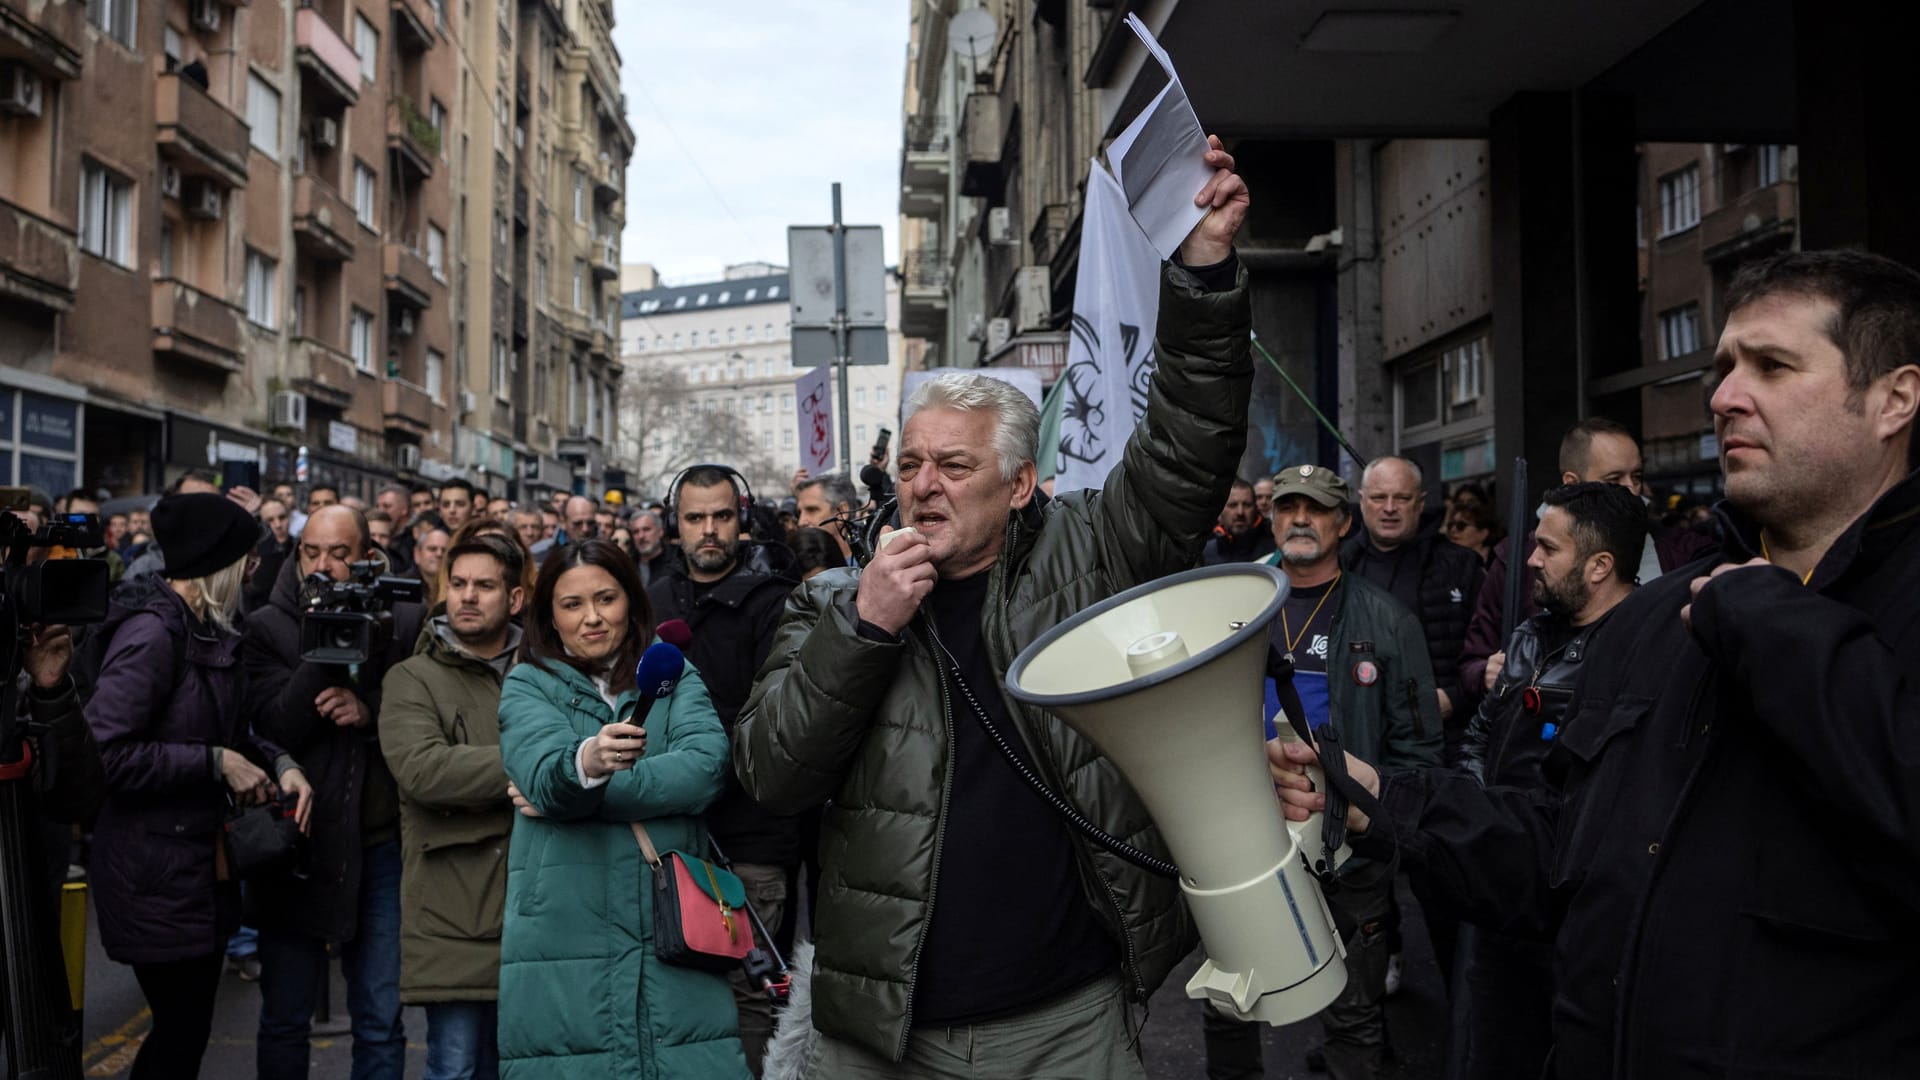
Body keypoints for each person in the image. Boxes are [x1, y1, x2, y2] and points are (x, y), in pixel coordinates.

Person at [1273, 249, 1920, 1079]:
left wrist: (1771, 622)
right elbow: (1561, 853)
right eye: (1723, 368)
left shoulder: (1780, 609)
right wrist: (1375, 796)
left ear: (1893, 399)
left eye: (1773, 365)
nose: (1724, 396)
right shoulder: (1657, 618)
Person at [735, 135, 1250, 1077]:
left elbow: (1187, 451)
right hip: (884, 1027)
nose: (924, 486)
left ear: (1019, 486)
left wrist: (1205, 275)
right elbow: (772, 775)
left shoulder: (1088, 547)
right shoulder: (830, 602)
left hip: (1062, 1018)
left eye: (956, 467)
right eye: (913, 464)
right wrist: (866, 629)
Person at [1205, 466, 1440, 1080]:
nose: (1300, 520)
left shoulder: (1386, 621)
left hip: (1346, 846)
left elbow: (1417, 748)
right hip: (1244, 834)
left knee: (1354, 1008)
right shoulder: (1235, 603)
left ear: (1343, 523)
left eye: (1316, 509)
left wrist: (1383, 830)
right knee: (1231, 1000)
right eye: (1288, 508)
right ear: (1272, 518)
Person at [495, 540, 748, 1077]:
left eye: (606, 598)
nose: (591, 617)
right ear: (549, 615)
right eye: (572, 604)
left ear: (631, 601)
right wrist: (583, 762)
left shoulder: (671, 670)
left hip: (671, 924)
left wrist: (583, 793)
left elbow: (705, 768)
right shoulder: (528, 683)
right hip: (564, 927)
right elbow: (546, 773)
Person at [87, 493, 313, 1080]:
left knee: (185, 1036)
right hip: (152, 873)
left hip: (194, 872)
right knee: (179, 1036)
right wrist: (213, 763)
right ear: (222, 566)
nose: (256, 570)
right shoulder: (152, 637)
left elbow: (233, 729)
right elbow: (104, 755)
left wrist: (279, 761)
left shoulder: (204, 631)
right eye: (250, 559)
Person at [1452, 481, 1643, 1080]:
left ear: (1599, 566)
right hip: (1502, 895)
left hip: (1574, 919)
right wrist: (1485, 822)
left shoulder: (1640, 651)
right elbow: (1481, 733)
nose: (1530, 559)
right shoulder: (1530, 635)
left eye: (1547, 548)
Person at [243, 504, 424, 1080]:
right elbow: (273, 727)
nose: (324, 565)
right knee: (285, 1016)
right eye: (312, 553)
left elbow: (423, 724)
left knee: (378, 1019)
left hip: (378, 846)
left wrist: (368, 709)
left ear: (368, 556)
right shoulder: (266, 626)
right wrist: (324, 648)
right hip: (297, 845)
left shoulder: (403, 620)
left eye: (340, 554)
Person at [647, 465, 798, 1075]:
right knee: (672, 999)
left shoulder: (776, 602)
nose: (709, 531)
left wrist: (685, 740)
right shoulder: (653, 600)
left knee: (747, 998)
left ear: (743, 519)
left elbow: (775, 718)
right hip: (664, 838)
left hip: (750, 842)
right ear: (674, 524)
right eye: (694, 518)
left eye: (722, 516)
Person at [381, 535, 527, 1080]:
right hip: (454, 912)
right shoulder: (412, 677)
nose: (466, 597)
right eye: (457, 584)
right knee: (457, 1068)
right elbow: (424, 770)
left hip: (535, 911)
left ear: (514, 599)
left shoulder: (543, 672)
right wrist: (545, 764)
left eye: (484, 586)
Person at [1457, 419, 1716, 713]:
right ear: (1573, 483)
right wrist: (1486, 674)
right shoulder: (1518, 558)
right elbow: (1472, 663)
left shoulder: (1682, 552)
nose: (1632, 490)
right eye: (1614, 479)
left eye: (1637, 476)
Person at [1340, 456, 1483, 740]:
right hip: (1356, 733)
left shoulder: (1460, 567)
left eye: (1402, 498)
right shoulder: (1338, 566)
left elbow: (1490, 651)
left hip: (1441, 736)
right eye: (1379, 497)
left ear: (1420, 502)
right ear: (1362, 500)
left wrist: (1455, 698)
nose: (1389, 508)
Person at [1201, 476, 1276, 564]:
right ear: (1220, 512)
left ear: (1256, 509)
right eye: (1233, 505)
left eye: (1247, 505)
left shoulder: (1274, 549)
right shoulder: (1204, 553)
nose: (1240, 512)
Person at [794, 472, 859, 563]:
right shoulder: (796, 568)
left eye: (812, 510)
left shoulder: (871, 570)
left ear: (841, 512)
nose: (801, 522)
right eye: (799, 513)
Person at [248, 497, 296, 612]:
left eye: (282, 518)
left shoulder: (300, 548)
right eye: (270, 520)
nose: (278, 525)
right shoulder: (252, 555)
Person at [1443, 499, 1501, 567]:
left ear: (1483, 534)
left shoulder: (1497, 564)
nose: (1453, 529)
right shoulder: (1445, 560)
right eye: (1450, 525)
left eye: (1461, 526)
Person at [629, 509, 671, 586]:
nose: (641, 536)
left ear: (660, 532)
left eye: (646, 529)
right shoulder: (627, 566)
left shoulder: (675, 564)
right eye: (636, 532)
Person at [416, 524, 453, 610]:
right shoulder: (403, 585)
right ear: (417, 554)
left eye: (444, 550)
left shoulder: (456, 589)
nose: (439, 554)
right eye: (432, 549)